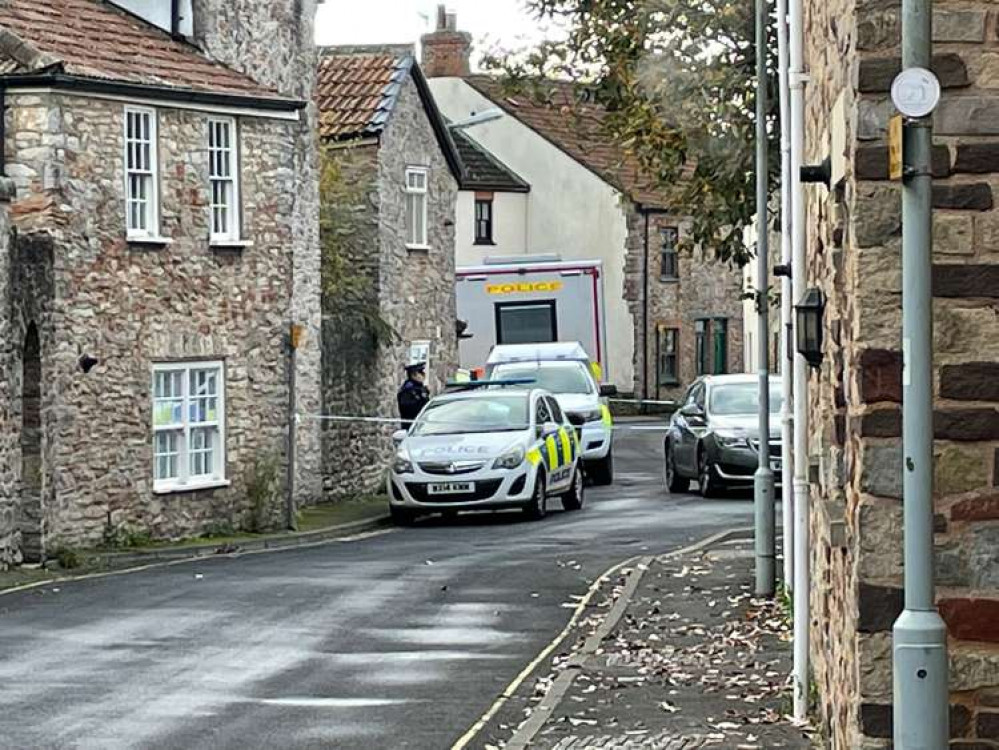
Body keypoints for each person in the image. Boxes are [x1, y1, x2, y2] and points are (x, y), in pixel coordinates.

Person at [397, 361, 430, 427]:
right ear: (413, 375)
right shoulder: (407, 390)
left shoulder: (420, 387)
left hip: (422, 424)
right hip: (411, 425)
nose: (423, 376)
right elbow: (409, 408)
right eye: (420, 373)